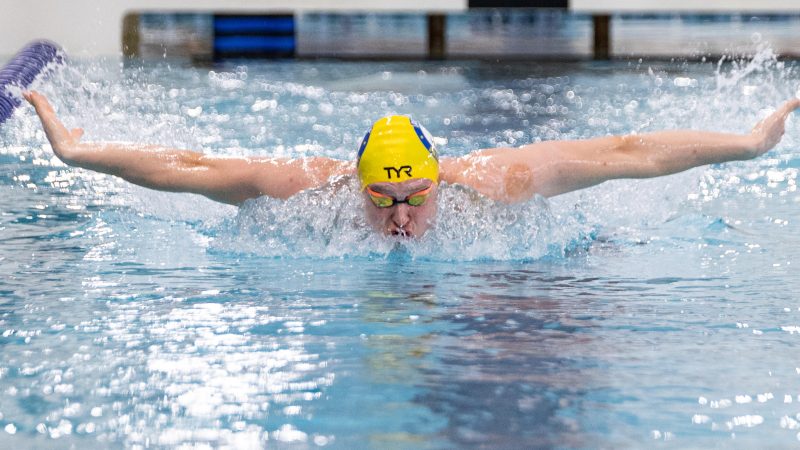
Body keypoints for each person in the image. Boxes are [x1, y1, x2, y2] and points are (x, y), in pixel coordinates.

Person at [24, 91, 799, 237]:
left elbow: (625, 154)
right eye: (382, 200)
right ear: (354, 185)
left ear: (439, 177)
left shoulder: (494, 182)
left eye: (415, 197)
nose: (401, 217)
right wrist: (78, 152)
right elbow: (190, 166)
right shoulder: (311, 189)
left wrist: (747, 144)